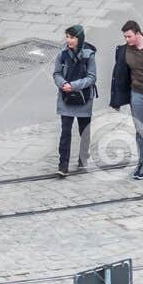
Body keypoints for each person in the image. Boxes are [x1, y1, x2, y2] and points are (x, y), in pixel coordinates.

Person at [110, 20, 143, 179]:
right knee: (141, 130)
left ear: (137, 33)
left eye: (129, 36)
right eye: (125, 37)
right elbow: (118, 75)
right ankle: (142, 165)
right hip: (138, 94)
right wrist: (116, 100)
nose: (127, 40)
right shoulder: (124, 51)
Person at [52, 24, 98, 176]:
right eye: (67, 37)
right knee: (65, 132)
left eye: (72, 37)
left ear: (80, 38)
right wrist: (63, 84)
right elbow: (56, 73)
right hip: (66, 98)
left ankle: (83, 159)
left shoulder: (89, 55)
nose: (69, 40)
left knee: (84, 131)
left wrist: (74, 85)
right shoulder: (62, 54)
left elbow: (91, 78)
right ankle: (63, 164)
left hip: (84, 98)